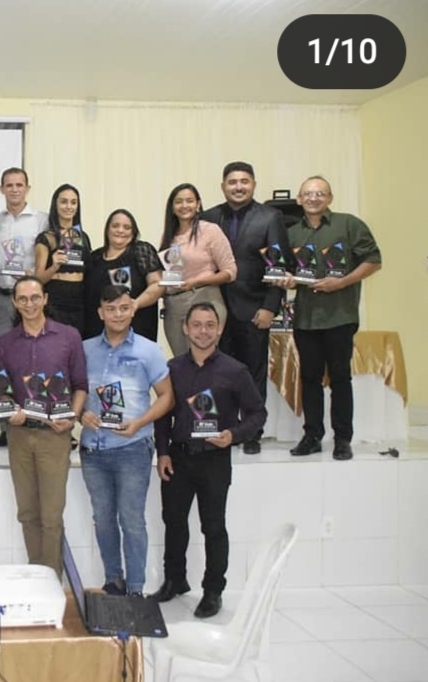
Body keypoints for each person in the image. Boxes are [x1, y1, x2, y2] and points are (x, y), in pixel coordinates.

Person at [151, 303, 266, 619]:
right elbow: (162, 415)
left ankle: (213, 591)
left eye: (210, 325)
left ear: (219, 329)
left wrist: (233, 434)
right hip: (178, 458)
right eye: (197, 325)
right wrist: (162, 452)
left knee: (213, 526)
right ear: (185, 329)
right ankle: (175, 580)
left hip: (215, 460)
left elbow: (257, 413)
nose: (203, 331)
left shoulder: (235, 371)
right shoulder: (172, 369)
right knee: (173, 522)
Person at [80, 285, 174, 597]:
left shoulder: (149, 350)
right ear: (100, 313)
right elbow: (73, 393)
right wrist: (81, 415)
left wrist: (140, 423)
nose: (117, 314)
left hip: (132, 449)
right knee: (103, 520)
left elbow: (167, 397)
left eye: (123, 308)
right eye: (110, 309)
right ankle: (114, 581)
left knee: (132, 521)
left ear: (133, 310)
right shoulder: (84, 350)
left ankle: (135, 589)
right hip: (93, 450)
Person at [281, 176, 382, 461]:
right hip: (305, 318)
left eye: (320, 193)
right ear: (299, 199)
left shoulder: (348, 225)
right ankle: (312, 435)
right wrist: (287, 279)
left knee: (340, 378)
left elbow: (374, 260)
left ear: (330, 198)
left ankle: (342, 439)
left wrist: (342, 282)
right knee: (309, 379)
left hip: (340, 315)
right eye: (308, 194)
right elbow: (289, 270)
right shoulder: (291, 233)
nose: (313, 198)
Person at [0, 276, 87, 575]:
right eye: (22, 299)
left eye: (35, 297)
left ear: (45, 299)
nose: (29, 304)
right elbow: (3, 390)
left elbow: (81, 385)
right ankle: (37, 577)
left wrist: (72, 418)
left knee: (51, 516)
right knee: (27, 513)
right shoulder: (4, 343)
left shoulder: (69, 337)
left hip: (55, 437)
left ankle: (52, 581)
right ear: (14, 302)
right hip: (20, 435)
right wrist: (10, 411)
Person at [202, 162, 290, 455]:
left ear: (253, 184)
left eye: (244, 181)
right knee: (218, 373)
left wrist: (270, 307)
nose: (238, 187)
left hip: (254, 310)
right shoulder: (209, 217)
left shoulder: (271, 217)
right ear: (223, 186)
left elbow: (279, 266)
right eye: (232, 182)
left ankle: (251, 432)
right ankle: (226, 429)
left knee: (252, 375)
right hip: (215, 311)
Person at [0, 168, 48, 448]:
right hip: (1, 298)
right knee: (3, 362)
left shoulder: (41, 220)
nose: (14, 189)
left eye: (19, 185)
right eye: (9, 185)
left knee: (37, 358)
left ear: (27, 188)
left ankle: (41, 417)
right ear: (2, 189)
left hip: (30, 300)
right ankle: (6, 425)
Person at [158, 183, 237, 357]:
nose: (184, 205)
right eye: (178, 201)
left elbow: (230, 272)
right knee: (182, 363)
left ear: (198, 204)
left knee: (203, 361)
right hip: (174, 307)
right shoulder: (169, 236)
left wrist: (197, 281)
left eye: (189, 201)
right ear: (172, 207)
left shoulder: (210, 231)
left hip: (204, 299)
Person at [84, 209, 165, 341]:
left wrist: (136, 303)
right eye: (115, 226)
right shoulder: (94, 257)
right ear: (107, 229)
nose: (120, 230)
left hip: (137, 329)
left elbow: (157, 284)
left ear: (133, 232)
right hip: (96, 333)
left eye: (127, 227)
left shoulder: (141, 250)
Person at [35, 184, 92, 333]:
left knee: (77, 343)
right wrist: (54, 266)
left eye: (73, 202)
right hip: (56, 300)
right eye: (64, 202)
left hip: (79, 301)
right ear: (56, 205)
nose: (69, 207)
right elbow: (38, 279)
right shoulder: (46, 238)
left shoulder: (83, 237)